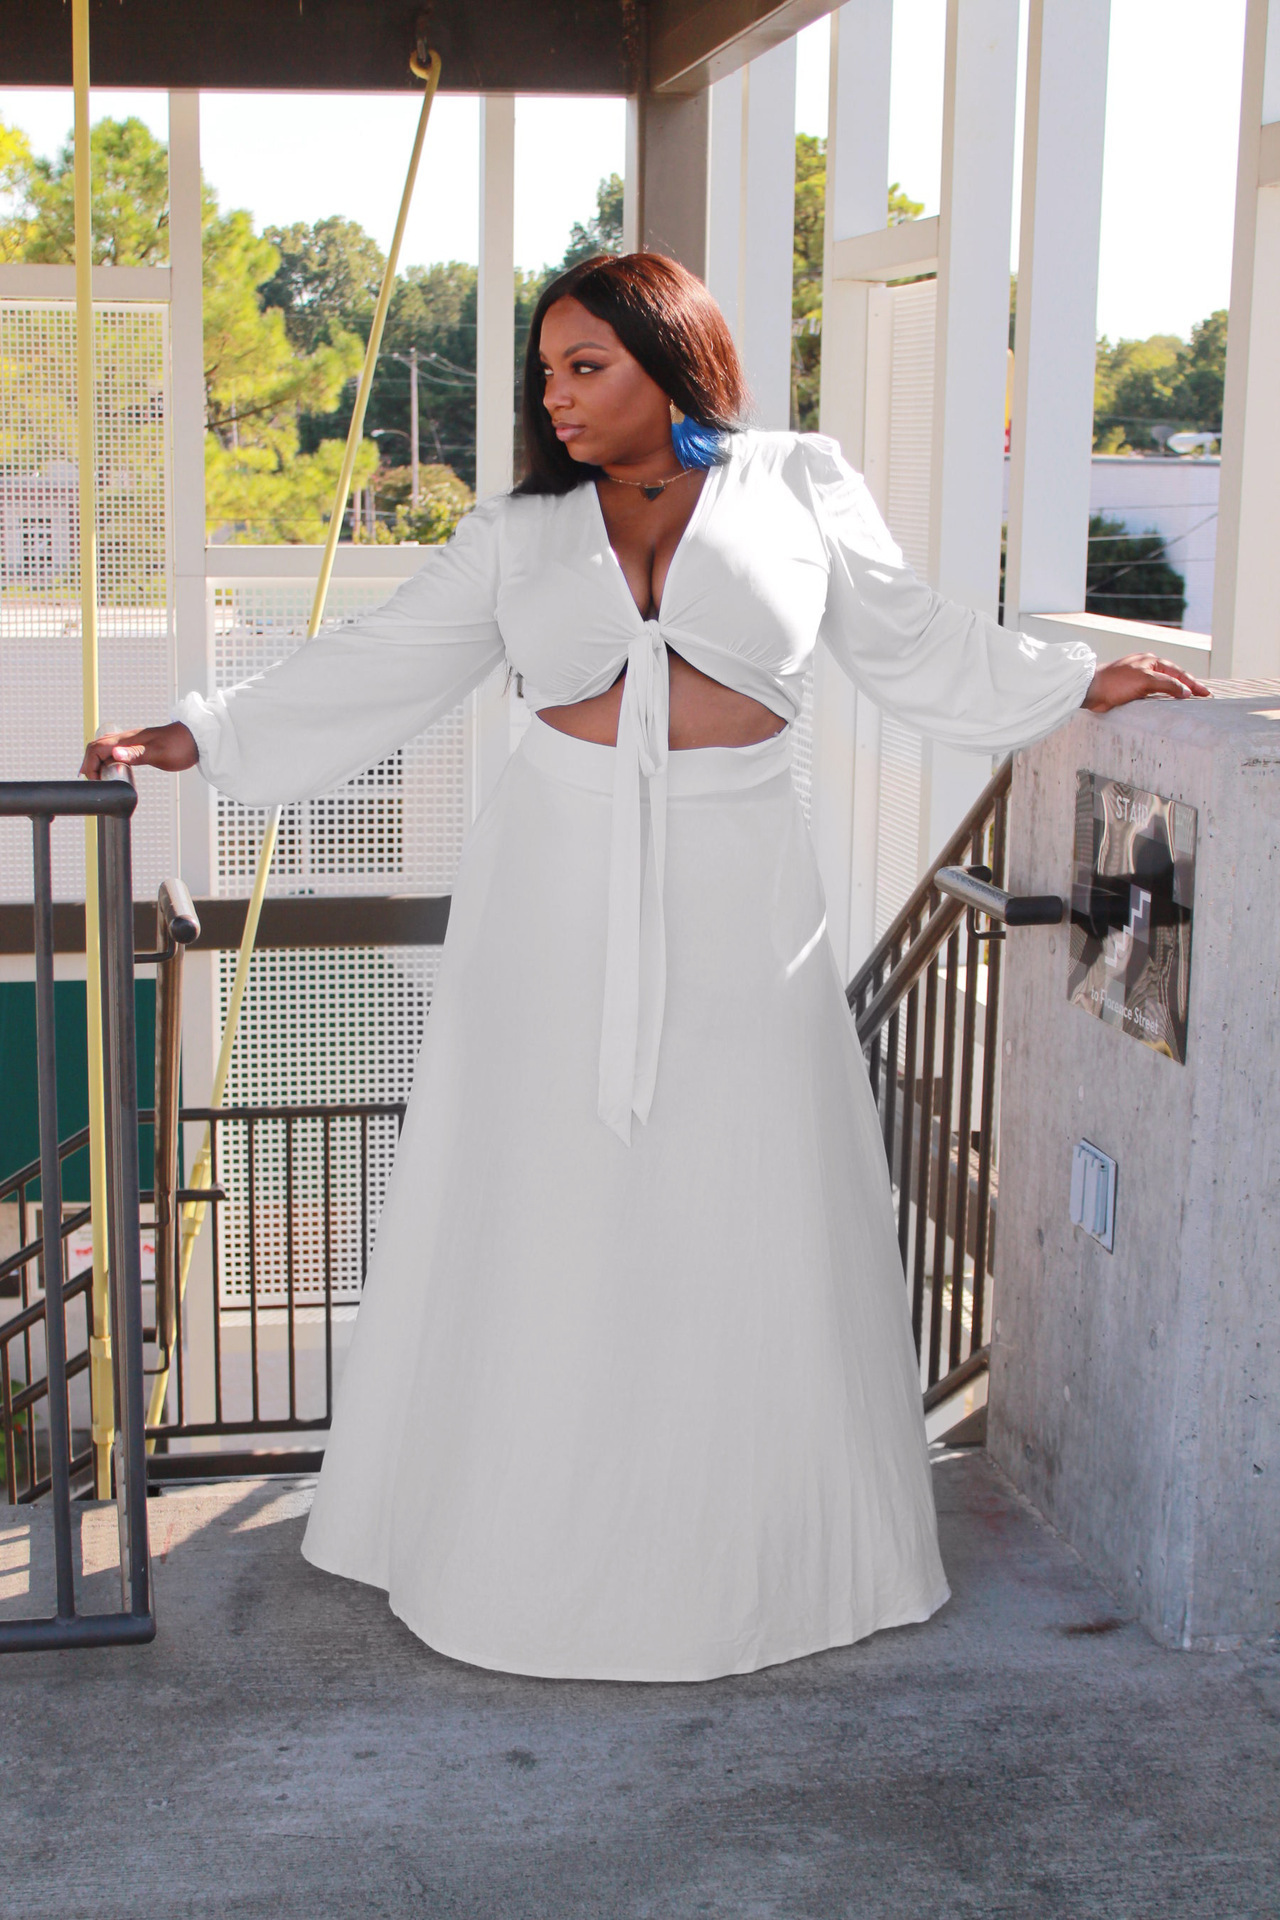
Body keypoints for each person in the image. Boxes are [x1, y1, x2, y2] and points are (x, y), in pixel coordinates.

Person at [82, 253, 1209, 1683]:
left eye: (586, 366)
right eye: (546, 370)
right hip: (548, 882)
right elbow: (379, 661)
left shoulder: (798, 482)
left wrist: (1073, 680)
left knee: (740, 1189)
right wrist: (197, 735)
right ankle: (521, 1550)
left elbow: (911, 638)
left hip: (744, 881)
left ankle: (754, 1563)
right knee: (548, 1194)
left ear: (672, 359)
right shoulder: (521, 532)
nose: (555, 396)